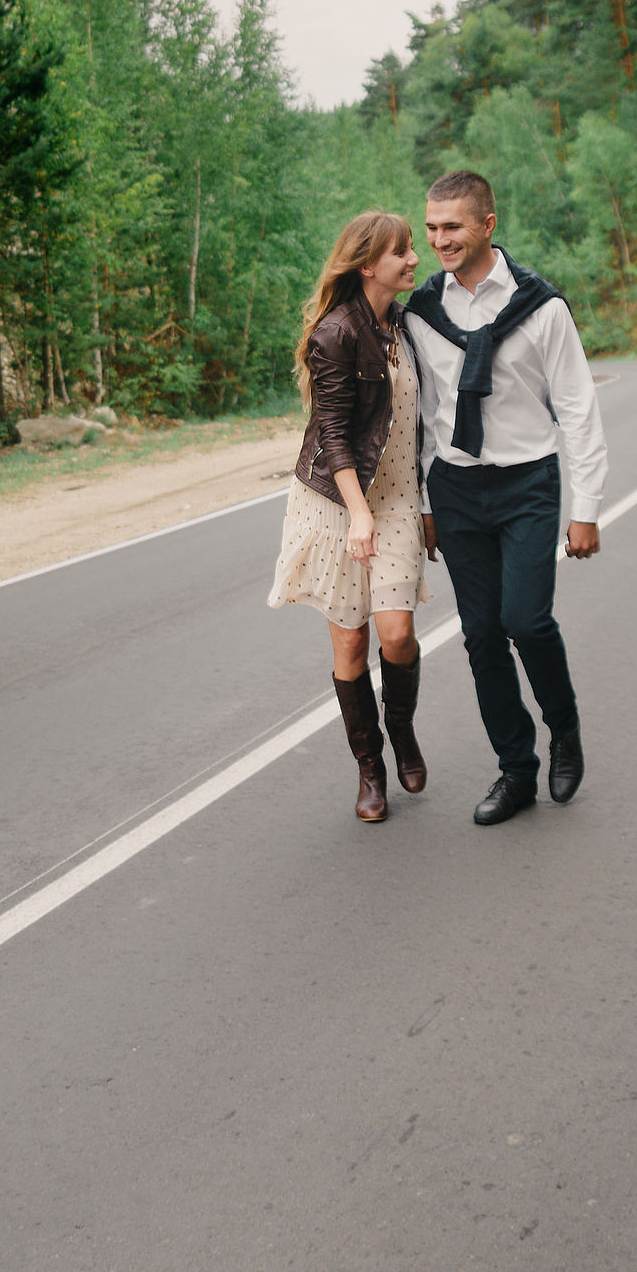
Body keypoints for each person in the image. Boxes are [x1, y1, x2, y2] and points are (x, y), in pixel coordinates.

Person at [403, 171, 608, 827]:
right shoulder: (421, 312)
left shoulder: (541, 307)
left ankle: (564, 729)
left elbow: (577, 408)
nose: (439, 239)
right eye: (432, 227)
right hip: (456, 489)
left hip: (526, 482)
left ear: (488, 225)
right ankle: (515, 770)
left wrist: (586, 506)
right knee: (482, 635)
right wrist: (424, 505)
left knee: (525, 620)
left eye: (452, 226)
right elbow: (423, 415)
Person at [268, 211, 431, 824]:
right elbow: (332, 433)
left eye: (413, 248)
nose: (413, 259)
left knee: (397, 634)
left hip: (397, 500)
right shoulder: (336, 332)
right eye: (401, 252)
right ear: (368, 265)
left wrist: (426, 502)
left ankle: (404, 729)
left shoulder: (409, 324)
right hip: (338, 501)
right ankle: (370, 768)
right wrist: (358, 514)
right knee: (352, 638)